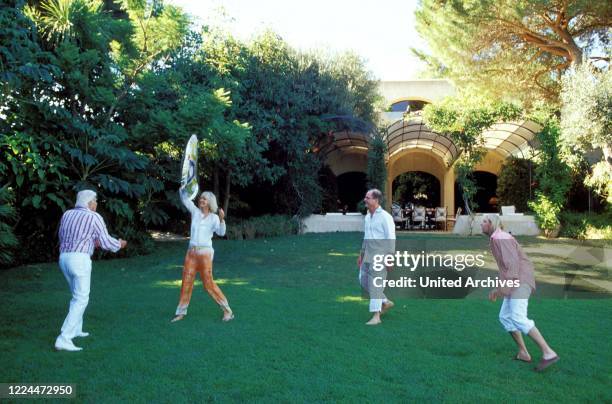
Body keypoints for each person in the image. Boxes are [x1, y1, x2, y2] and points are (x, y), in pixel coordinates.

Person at [481, 215, 559, 371]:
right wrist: (501, 288)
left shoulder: (501, 238)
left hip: (520, 280)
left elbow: (512, 265)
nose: (481, 225)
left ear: (490, 224)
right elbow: (506, 268)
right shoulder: (496, 238)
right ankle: (523, 352)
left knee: (517, 317)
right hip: (514, 281)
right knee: (505, 317)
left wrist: (502, 289)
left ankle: (548, 352)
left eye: (483, 222)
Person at [55, 190, 127, 352]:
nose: (96, 204)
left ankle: (76, 330)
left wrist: (92, 243)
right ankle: (64, 338)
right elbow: (106, 241)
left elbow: (66, 236)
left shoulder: (67, 214)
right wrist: (119, 244)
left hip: (64, 258)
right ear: (88, 203)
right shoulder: (94, 217)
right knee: (81, 298)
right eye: (95, 201)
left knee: (76, 296)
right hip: (79, 260)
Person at [171, 189, 233, 323]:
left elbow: (221, 233)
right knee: (186, 283)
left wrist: (222, 219)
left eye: (204, 199)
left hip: (205, 253)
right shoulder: (195, 212)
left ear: (210, 202)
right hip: (191, 253)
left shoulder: (214, 218)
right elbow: (185, 200)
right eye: (201, 198)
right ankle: (181, 312)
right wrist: (184, 187)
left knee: (208, 284)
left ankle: (227, 311)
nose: (201, 200)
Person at [357, 189, 396, 325]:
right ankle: (385, 301)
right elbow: (366, 237)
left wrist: (390, 258)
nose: (365, 200)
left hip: (381, 255)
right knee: (362, 279)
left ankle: (376, 316)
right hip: (368, 254)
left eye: (368, 198)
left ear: (376, 200)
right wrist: (361, 253)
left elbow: (391, 237)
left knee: (375, 284)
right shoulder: (368, 216)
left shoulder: (385, 217)